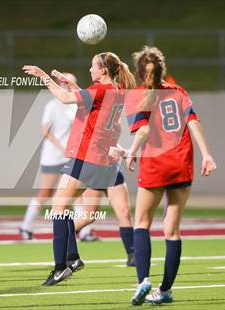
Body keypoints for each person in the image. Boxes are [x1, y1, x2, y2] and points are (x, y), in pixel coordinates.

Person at [23, 51, 136, 286]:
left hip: (86, 156)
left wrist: (43, 75)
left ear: (103, 70)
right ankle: (72, 258)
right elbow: (86, 101)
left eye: (93, 67)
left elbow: (65, 99)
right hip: (98, 158)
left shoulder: (100, 91)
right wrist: (70, 84)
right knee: (63, 208)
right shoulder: (116, 91)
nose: (90, 70)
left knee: (58, 209)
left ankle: (61, 267)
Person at [117, 46, 216, 305]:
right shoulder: (178, 91)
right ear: (162, 70)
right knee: (172, 231)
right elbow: (194, 123)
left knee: (141, 223)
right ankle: (166, 290)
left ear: (139, 73)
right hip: (182, 163)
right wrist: (207, 155)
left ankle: (143, 281)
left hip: (155, 165)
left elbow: (143, 131)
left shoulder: (137, 96)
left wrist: (131, 153)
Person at [19, 73, 99, 242]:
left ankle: (85, 232)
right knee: (46, 191)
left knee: (77, 194)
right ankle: (26, 226)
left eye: (71, 83)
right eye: (64, 82)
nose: (68, 85)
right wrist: (62, 147)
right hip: (53, 156)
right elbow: (45, 131)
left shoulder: (75, 105)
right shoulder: (52, 105)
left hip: (71, 155)